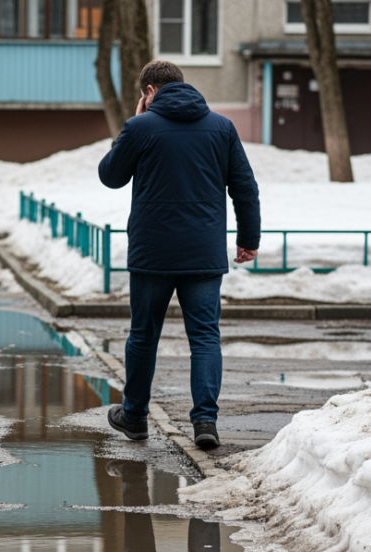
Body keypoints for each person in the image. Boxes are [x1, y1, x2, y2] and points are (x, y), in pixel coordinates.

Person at [98, 61, 260, 450]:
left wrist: (132, 125)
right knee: (204, 337)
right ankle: (205, 421)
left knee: (143, 335)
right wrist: (248, 238)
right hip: (202, 253)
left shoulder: (141, 128)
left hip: (152, 253)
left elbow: (110, 176)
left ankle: (134, 417)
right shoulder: (221, 127)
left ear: (149, 92)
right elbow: (245, 187)